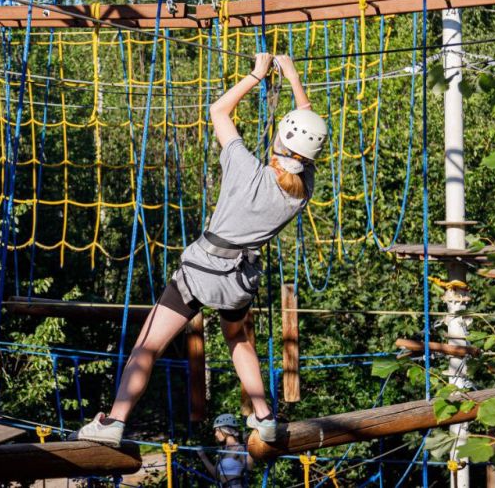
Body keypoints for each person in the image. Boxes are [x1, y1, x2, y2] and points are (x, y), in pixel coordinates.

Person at [74, 53, 326, 447]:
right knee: (237, 340)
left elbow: (218, 111)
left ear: (279, 138)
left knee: (147, 347)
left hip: (203, 272)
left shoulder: (246, 169)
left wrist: (255, 75)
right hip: (240, 280)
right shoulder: (301, 190)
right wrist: (294, 78)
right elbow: (307, 128)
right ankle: (263, 417)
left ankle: (115, 421)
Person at [197, 414, 253, 488]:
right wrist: (202, 456)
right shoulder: (223, 451)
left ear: (226, 430)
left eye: (217, 430)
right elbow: (216, 474)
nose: (215, 434)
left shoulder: (239, 448)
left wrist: (248, 446)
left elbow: (249, 467)